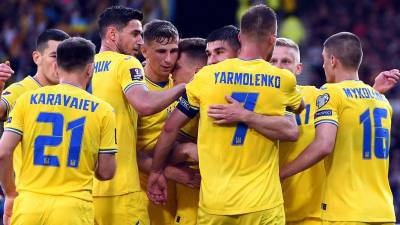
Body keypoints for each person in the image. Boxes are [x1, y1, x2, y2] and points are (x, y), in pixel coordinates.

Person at [148, 5, 304, 225]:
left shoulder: (206, 77)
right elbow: (298, 112)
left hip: (215, 206)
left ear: (240, 38)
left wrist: (156, 171)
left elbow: (170, 128)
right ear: (273, 39)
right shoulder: (282, 80)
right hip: (263, 206)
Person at [280, 32, 396, 224]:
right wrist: (374, 89)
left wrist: (281, 173)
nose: (324, 65)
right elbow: (353, 126)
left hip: (346, 210)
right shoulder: (382, 100)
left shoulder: (330, 92)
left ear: (333, 60)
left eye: (325, 60)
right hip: (383, 210)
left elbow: (324, 145)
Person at [0, 37, 117, 225]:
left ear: (57, 66)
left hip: (29, 205)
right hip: (73, 209)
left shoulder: (26, 100)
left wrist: (11, 193)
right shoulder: (103, 110)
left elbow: (3, 153)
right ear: (90, 69)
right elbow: (106, 172)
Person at [91, 6, 185, 225]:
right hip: (123, 187)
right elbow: (144, 104)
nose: (140, 41)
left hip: (90, 189)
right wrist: (185, 87)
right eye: (135, 33)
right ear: (113, 34)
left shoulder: (88, 66)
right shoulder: (126, 63)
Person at [136, 19, 194, 225]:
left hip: (175, 190)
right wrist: (169, 171)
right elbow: (125, 148)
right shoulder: (134, 88)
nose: (168, 59)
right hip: (142, 187)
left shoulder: (178, 80)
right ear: (144, 51)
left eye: (173, 51)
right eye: (161, 52)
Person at [0, 29, 70, 185]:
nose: (61, 63)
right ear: (37, 58)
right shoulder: (21, 90)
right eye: (54, 56)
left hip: (63, 193)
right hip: (27, 196)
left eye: (66, 58)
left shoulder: (72, 93)